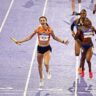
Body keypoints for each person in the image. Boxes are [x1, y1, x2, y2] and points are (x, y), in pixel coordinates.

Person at [12, 16, 68, 87]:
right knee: (39, 65)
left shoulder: (50, 30)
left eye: (43, 20)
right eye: (41, 20)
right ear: (40, 22)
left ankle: (48, 71)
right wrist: (20, 41)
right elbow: (29, 37)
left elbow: (55, 37)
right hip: (39, 49)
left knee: (46, 63)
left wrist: (63, 41)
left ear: (46, 21)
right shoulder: (38, 29)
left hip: (47, 48)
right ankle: (41, 79)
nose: (42, 21)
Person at [71, 9, 92, 74]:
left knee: (84, 56)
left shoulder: (88, 22)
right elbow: (72, 26)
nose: (83, 15)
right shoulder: (76, 21)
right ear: (80, 14)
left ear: (86, 15)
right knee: (77, 54)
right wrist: (73, 33)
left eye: (84, 14)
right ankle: (81, 67)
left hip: (85, 41)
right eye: (82, 13)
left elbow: (89, 32)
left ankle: (80, 67)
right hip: (78, 40)